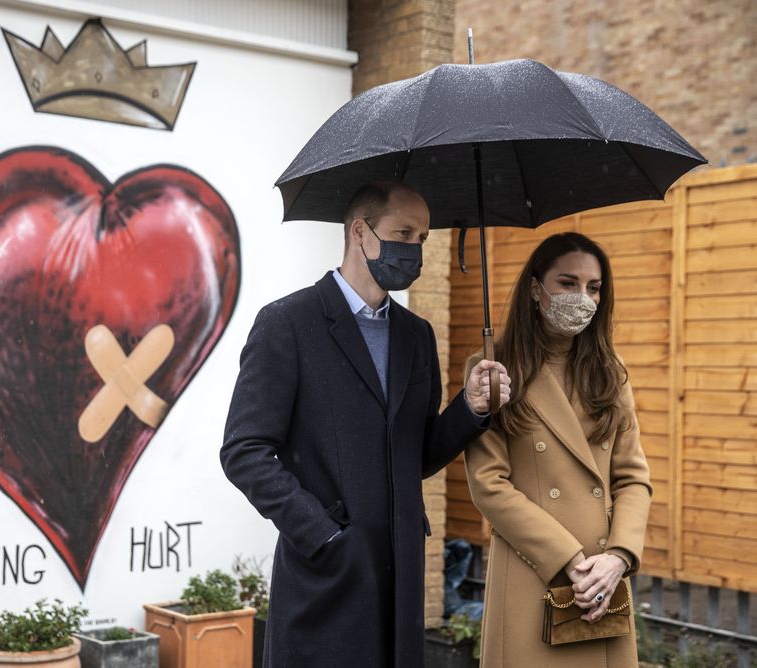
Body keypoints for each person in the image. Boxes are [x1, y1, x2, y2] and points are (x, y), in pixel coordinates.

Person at [221, 181, 511, 668]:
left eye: (422, 238)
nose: (414, 248)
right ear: (360, 231)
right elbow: (244, 450)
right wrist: (322, 535)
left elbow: (415, 454)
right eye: (404, 232)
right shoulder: (287, 323)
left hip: (399, 574)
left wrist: (471, 408)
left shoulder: (417, 335)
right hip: (325, 574)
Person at [464, 232, 652, 667]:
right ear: (535, 288)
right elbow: (489, 485)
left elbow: (633, 477)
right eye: (568, 283)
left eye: (593, 287)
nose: (582, 297)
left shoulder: (610, 371)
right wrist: (569, 559)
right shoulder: (492, 370)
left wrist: (617, 558)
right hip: (536, 572)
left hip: (603, 582)